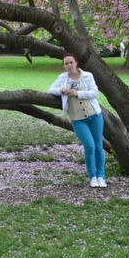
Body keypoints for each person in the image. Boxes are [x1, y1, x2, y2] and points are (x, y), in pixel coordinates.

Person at [48, 53, 106, 188]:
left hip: (95, 115)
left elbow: (94, 93)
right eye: (66, 63)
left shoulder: (87, 76)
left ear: (76, 63)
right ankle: (92, 177)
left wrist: (77, 93)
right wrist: (62, 90)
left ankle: (101, 176)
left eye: (71, 62)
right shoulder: (62, 78)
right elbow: (50, 89)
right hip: (77, 119)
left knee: (98, 146)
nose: (69, 65)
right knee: (89, 147)